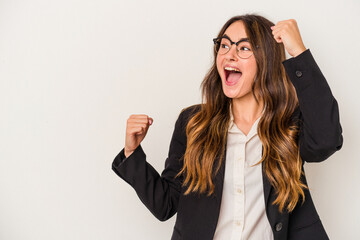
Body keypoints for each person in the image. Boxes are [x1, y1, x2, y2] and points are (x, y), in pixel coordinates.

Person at [112, 14, 343, 240]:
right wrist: (132, 153)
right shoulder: (193, 123)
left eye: (243, 48)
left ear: (266, 61)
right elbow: (166, 204)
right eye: (224, 45)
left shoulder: (287, 124)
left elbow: (327, 140)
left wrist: (299, 53)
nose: (229, 54)